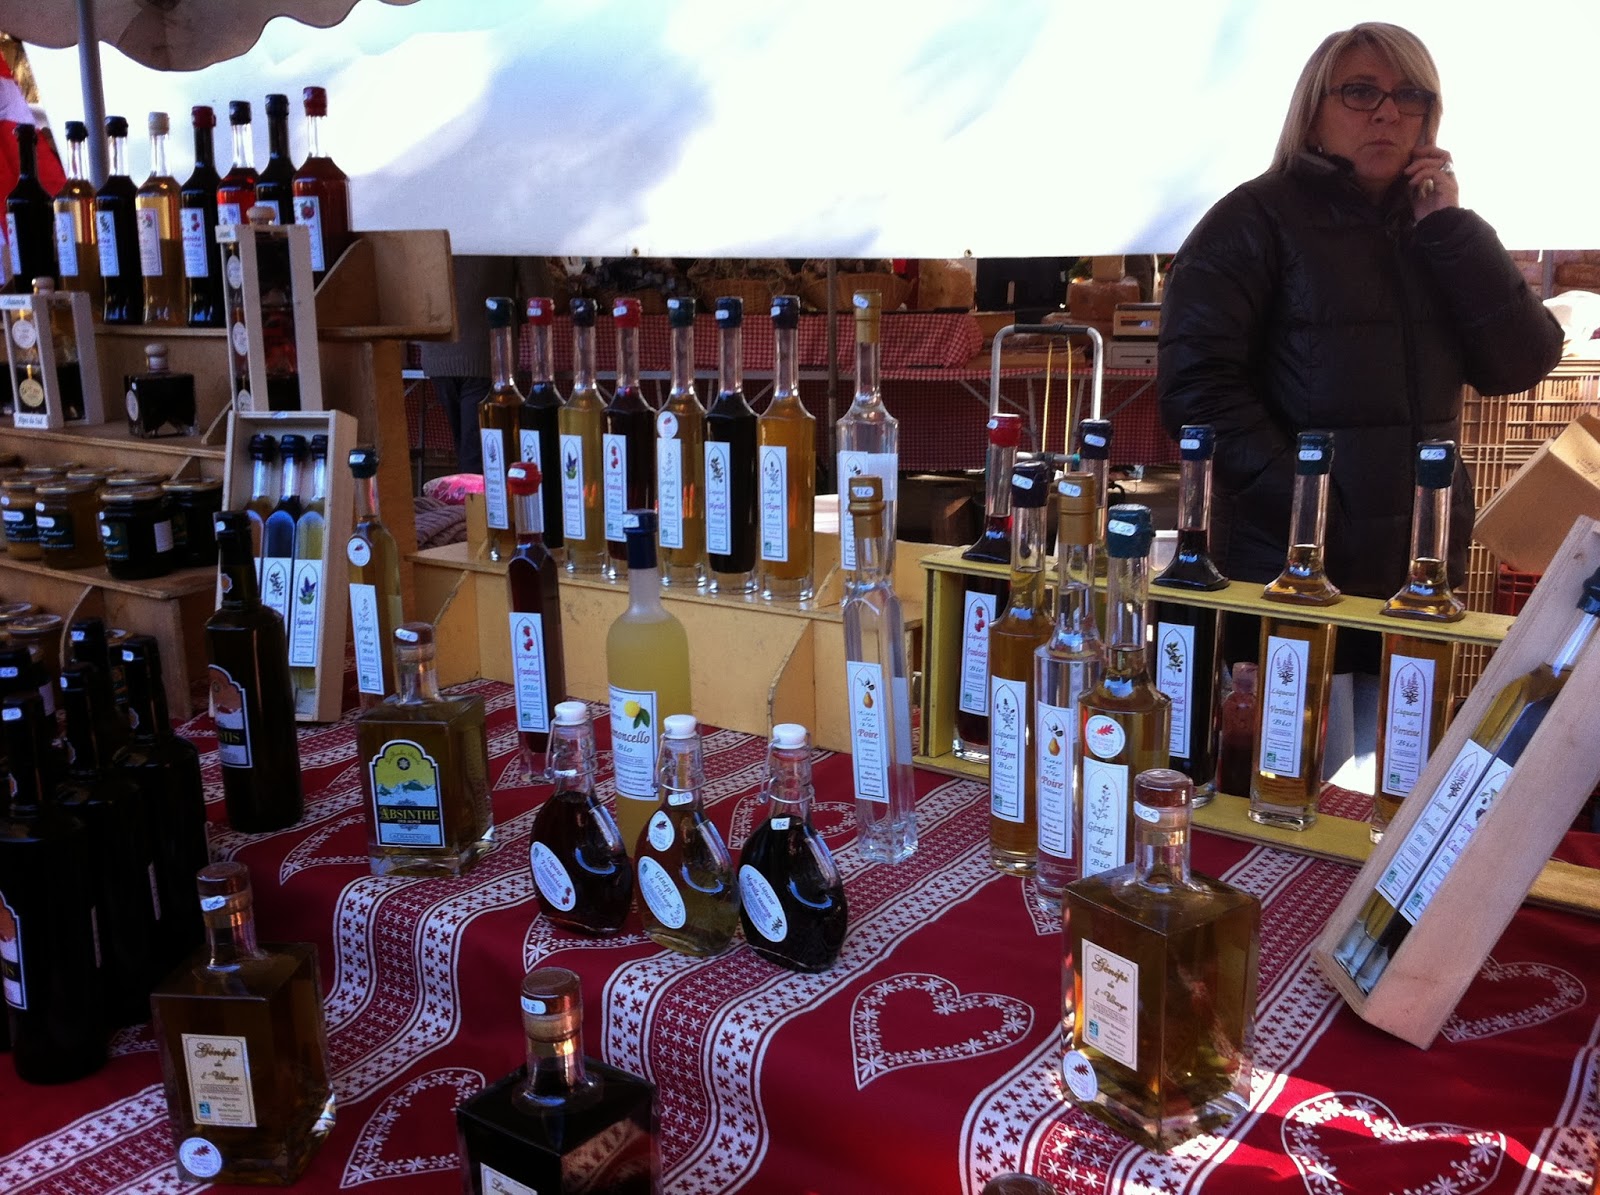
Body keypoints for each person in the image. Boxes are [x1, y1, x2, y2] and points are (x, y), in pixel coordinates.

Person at [1157, 21, 1562, 606]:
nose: (1387, 113)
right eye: (1361, 92)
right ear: (1312, 115)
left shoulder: (1438, 231)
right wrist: (1310, 505)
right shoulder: (1250, 221)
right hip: (1286, 565)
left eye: (1410, 95)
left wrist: (1452, 230)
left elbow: (1520, 365)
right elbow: (1197, 392)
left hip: (1423, 564)